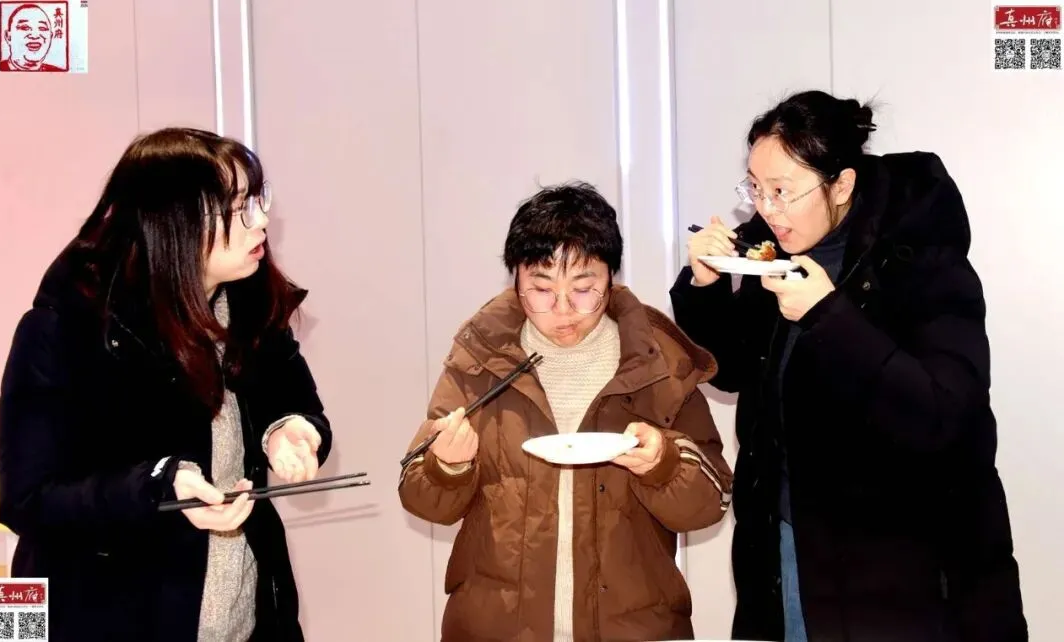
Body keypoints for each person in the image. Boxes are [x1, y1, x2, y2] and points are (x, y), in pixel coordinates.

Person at [669, 90, 1027, 642]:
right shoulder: (775, 252)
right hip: (789, 545)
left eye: (782, 191)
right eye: (755, 188)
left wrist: (828, 316)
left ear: (841, 185)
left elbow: (942, 414)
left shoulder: (920, 260)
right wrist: (705, 285)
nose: (766, 208)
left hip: (902, 565)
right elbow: (734, 368)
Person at [0, 127, 332, 641]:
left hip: (243, 617)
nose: (261, 220)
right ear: (175, 224)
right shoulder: (65, 329)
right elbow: (27, 500)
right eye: (238, 207)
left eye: (258, 200)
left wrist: (292, 430)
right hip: (100, 615)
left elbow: (292, 400)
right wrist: (157, 485)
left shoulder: (250, 306)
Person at [398, 182, 734, 642]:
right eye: (541, 289)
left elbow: (711, 502)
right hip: (496, 626)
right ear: (516, 280)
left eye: (583, 289)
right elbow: (420, 497)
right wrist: (447, 467)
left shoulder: (656, 362)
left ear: (610, 278)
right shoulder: (482, 358)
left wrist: (663, 462)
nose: (562, 310)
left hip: (633, 626)